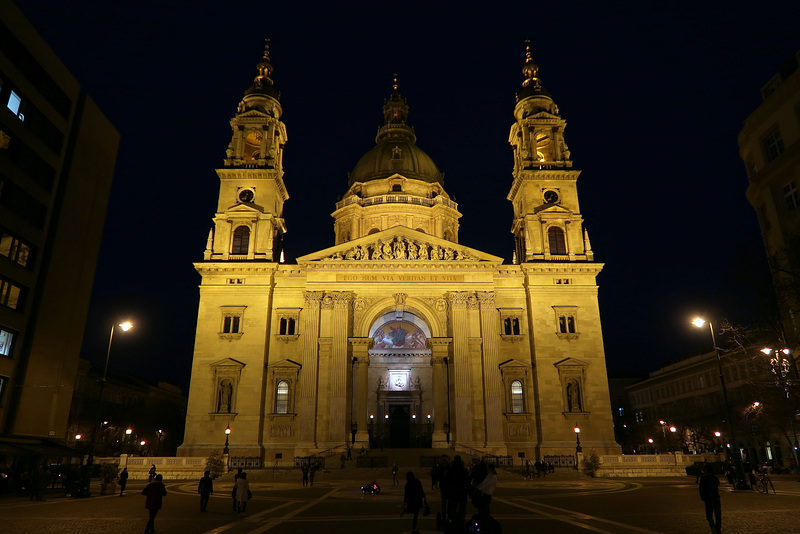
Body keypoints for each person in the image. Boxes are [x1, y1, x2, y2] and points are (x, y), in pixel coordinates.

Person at [444, 455, 470, 530]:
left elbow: (447, 482)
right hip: (462, 493)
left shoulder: (450, 470)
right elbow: (467, 482)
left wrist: (447, 492)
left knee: (452, 509)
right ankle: (461, 524)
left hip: (453, 493)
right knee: (462, 510)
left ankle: (453, 523)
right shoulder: (464, 470)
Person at [699, 464, 722, 533]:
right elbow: (717, 484)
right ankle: (718, 529)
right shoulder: (714, 478)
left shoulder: (703, 478)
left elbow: (701, 489)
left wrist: (703, 497)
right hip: (716, 497)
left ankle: (713, 527)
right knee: (718, 515)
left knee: (709, 515)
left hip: (708, 499)